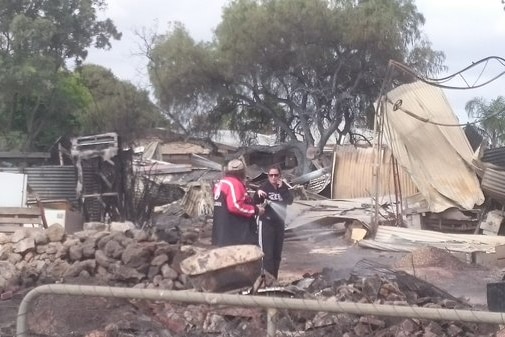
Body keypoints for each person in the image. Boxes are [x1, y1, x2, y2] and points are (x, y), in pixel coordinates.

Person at [212, 159, 265, 247]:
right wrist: (255, 210)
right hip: (235, 234)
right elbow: (235, 206)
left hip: (222, 232)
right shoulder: (234, 184)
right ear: (242, 172)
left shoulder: (221, 183)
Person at [253, 165, 293, 279]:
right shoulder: (264, 187)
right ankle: (266, 279)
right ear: (268, 176)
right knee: (267, 254)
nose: (273, 177)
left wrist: (282, 189)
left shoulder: (283, 187)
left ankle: (274, 278)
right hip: (266, 223)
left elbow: (289, 201)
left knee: (277, 254)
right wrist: (258, 194)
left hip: (279, 224)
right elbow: (255, 201)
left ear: (280, 176)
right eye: (271, 175)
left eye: (276, 175)